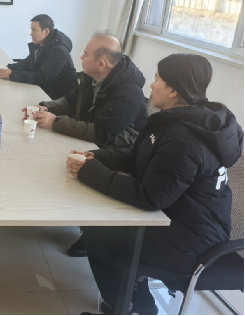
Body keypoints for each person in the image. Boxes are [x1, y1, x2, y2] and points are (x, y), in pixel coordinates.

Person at [66, 54, 243, 315]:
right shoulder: (180, 121)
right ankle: (140, 301)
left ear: (173, 90)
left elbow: (150, 197)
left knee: (100, 233)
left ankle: (124, 307)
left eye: (158, 78)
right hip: (182, 221)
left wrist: (91, 173)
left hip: (191, 242)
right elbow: (140, 155)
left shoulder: (184, 139)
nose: (151, 84)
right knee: (103, 218)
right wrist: (97, 157)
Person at [29, 31, 150, 257]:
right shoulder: (93, 77)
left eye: (85, 54)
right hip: (97, 137)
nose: (81, 58)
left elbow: (102, 134)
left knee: (71, 164)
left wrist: (55, 123)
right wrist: (45, 107)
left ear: (101, 63)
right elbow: (70, 100)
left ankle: (93, 232)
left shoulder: (128, 93)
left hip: (120, 150)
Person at [0, 14, 78, 100]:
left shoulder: (58, 51)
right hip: (46, 92)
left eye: (34, 30)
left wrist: (12, 75)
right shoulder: (43, 44)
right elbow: (27, 63)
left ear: (46, 31)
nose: (31, 34)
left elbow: (41, 78)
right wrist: (8, 67)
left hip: (62, 100)